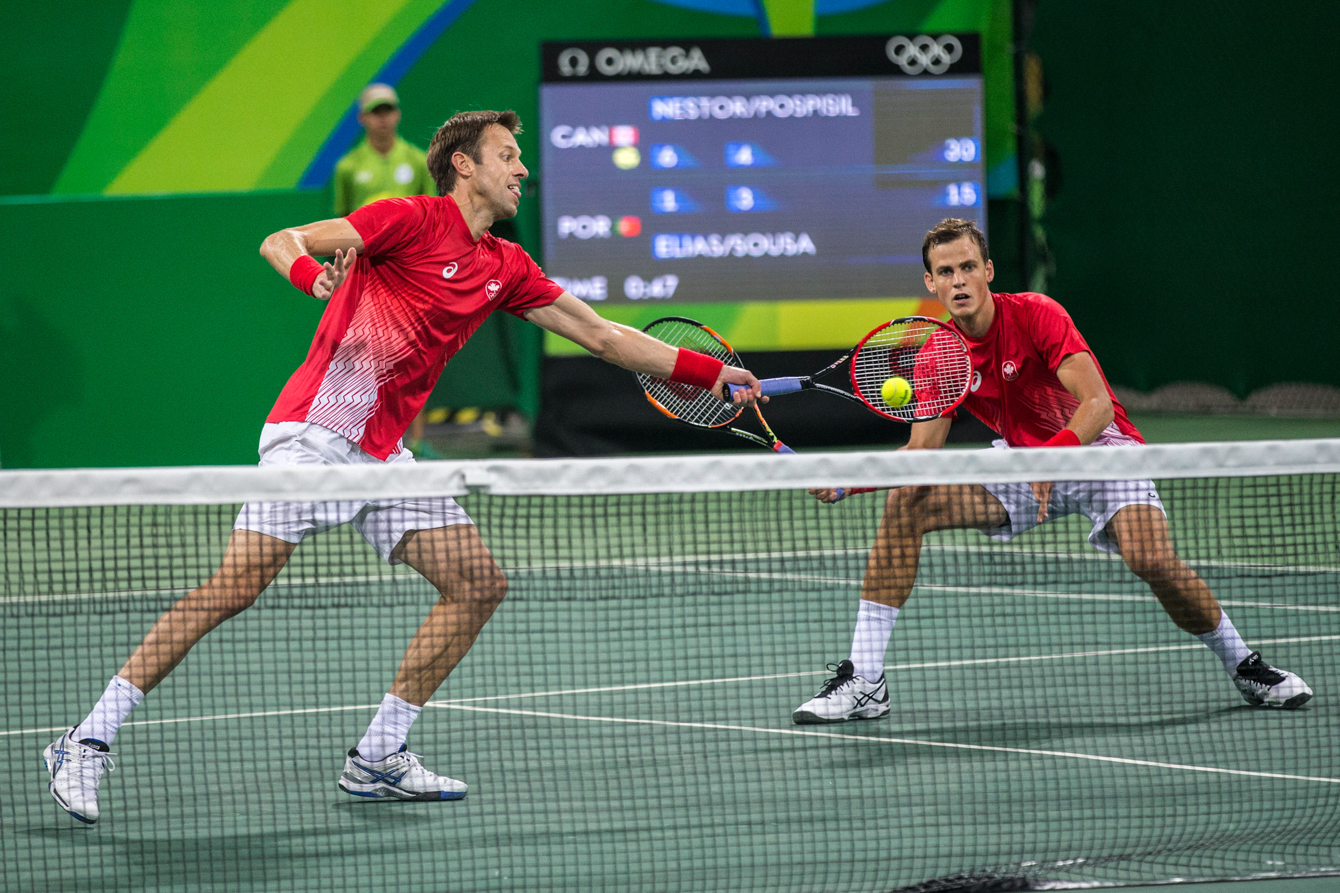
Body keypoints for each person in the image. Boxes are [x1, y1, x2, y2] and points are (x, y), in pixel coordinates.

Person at [43, 110, 763, 824]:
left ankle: (379, 754)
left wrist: (712, 372)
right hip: (315, 435)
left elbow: (602, 335)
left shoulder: (505, 266)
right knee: (234, 589)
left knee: (477, 583)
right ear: (464, 165)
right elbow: (281, 239)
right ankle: (85, 739)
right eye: (507, 155)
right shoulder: (408, 220)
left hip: (384, 454)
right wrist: (311, 277)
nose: (522, 169)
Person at [792, 217, 1312, 724]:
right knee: (906, 501)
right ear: (931, 283)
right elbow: (923, 451)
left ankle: (1244, 666)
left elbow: (1097, 405)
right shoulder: (941, 355)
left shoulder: (1037, 313)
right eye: (946, 272)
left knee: (1150, 557)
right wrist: (853, 480)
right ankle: (866, 679)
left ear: (988, 271)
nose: (959, 281)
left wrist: (1053, 457)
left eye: (968, 267)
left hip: (1098, 451)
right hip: (1024, 462)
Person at [333, 83, 441, 457]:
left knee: (414, 356)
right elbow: (340, 225)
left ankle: (417, 442)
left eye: (388, 110)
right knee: (362, 358)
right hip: (364, 278)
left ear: (398, 114)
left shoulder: (417, 161)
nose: (383, 118)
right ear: (362, 118)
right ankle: (361, 438)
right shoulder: (348, 167)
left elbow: (432, 217)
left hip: (408, 274)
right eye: (375, 112)